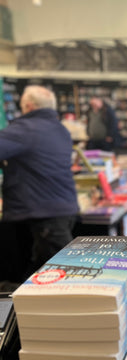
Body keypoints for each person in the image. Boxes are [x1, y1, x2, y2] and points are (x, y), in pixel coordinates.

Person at [0, 85, 79, 284]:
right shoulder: (60, 129)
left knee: (51, 279)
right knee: (56, 275)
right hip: (61, 210)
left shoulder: (24, 129)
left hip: (40, 215)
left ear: (28, 105)